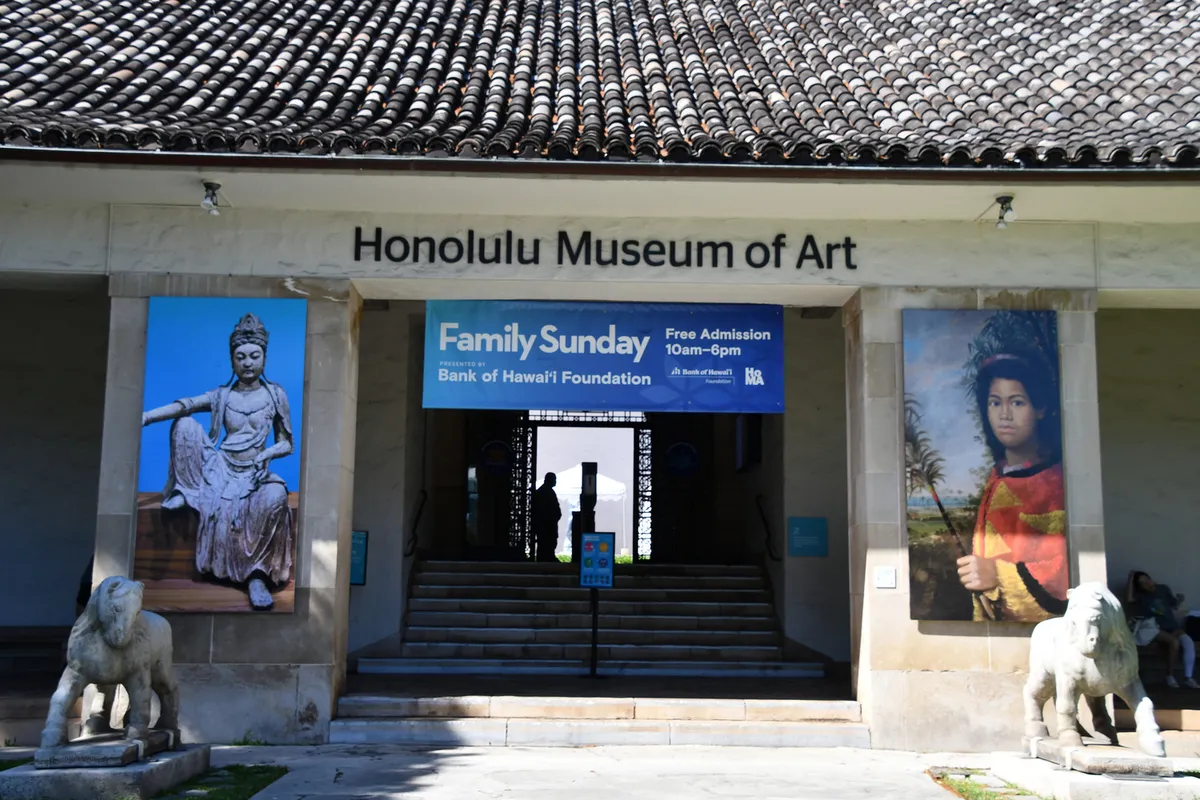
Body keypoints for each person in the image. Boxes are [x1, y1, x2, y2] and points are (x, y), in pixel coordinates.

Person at [141, 313, 295, 610]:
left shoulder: (275, 395)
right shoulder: (222, 395)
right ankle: (185, 491)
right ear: (232, 360)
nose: (247, 363)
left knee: (276, 497)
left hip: (256, 472)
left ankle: (257, 577)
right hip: (221, 468)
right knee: (184, 424)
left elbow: (287, 442)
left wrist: (266, 454)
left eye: (254, 356)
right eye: (240, 357)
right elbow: (183, 404)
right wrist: (146, 417)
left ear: (264, 357)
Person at [956, 353, 1068, 622]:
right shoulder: (998, 475)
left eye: (1017, 402)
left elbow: (1061, 572)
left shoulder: (1054, 482)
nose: (1004, 415)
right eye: (995, 403)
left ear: (1040, 409)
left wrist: (996, 574)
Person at [1129, 570, 1198, 688]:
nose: (1147, 583)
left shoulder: (1163, 589)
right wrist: (1130, 579)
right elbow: (1129, 599)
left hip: (1172, 625)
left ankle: (1188, 678)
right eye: (1142, 583)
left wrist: (1180, 599)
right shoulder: (1141, 596)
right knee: (1174, 643)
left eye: (1147, 579)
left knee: (1188, 642)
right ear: (1139, 586)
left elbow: (1174, 604)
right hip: (1155, 628)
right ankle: (1170, 676)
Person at [532, 472, 562, 562]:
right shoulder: (547, 492)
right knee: (548, 543)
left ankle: (545, 558)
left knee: (544, 544)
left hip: (546, 525)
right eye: (554, 479)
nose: (555, 481)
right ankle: (547, 558)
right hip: (547, 525)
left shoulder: (542, 491)